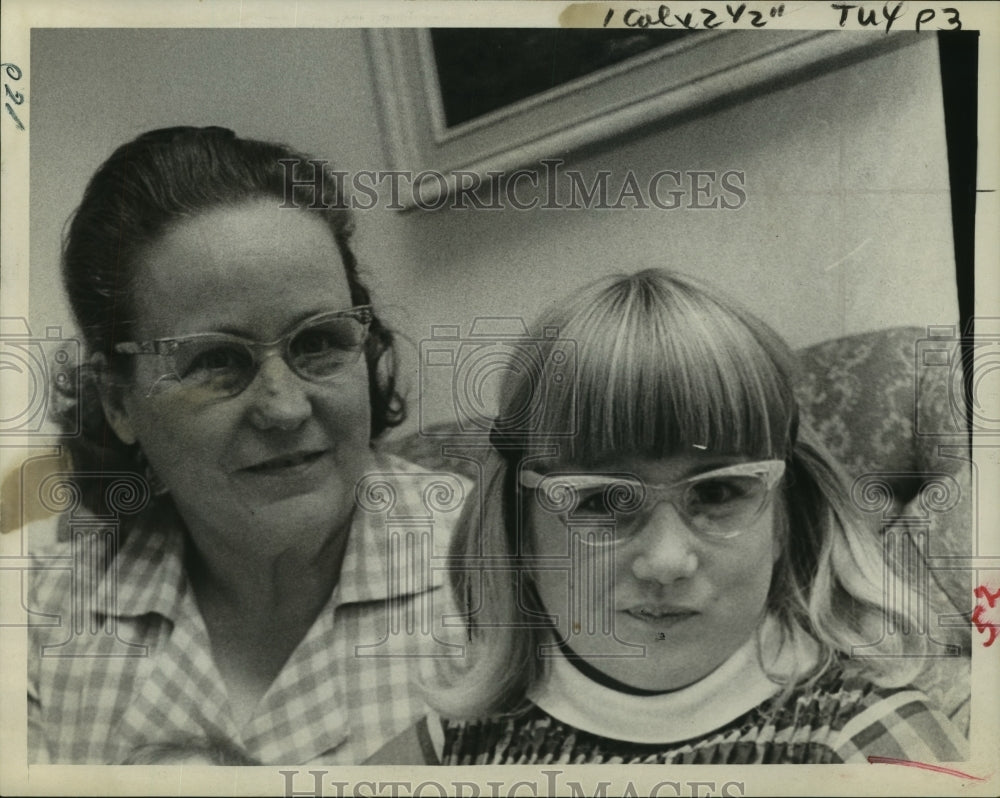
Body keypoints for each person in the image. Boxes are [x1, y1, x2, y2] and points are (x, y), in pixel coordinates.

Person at [373, 269, 968, 765]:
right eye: (601, 500)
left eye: (718, 494)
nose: (665, 561)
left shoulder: (875, 747)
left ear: (786, 517)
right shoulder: (447, 749)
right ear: (519, 534)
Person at [26, 126, 466, 765]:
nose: (285, 408)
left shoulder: (509, 579)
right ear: (120, 401)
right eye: (216, 361)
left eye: (317, 342)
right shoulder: (37, 631)